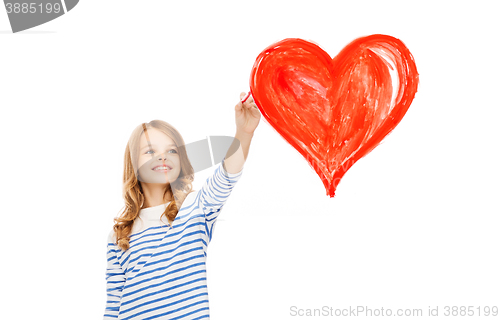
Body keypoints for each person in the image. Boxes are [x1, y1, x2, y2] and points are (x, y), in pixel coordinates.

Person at [103, 92, 261, 319]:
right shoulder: (119, 235)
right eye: (150, 151)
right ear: (134, 163)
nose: (162, 157)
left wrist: (244, 133)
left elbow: (226, 176)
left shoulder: (195, 209)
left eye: (171, 150)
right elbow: (113, 304)